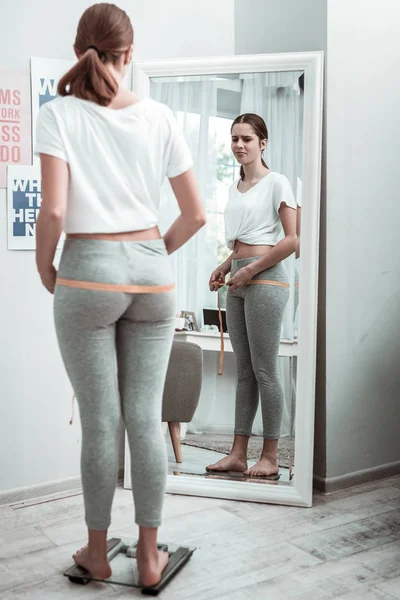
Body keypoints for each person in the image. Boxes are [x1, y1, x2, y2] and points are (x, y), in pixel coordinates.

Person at [34, 3, 206, 587]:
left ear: (78, 48)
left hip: (87, 269)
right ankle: (152, 557)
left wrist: (44, 266)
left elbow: (54, 209)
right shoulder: (159, 116)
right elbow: (195, 214)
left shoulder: (59, 114)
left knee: (101, 421)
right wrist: (151, 257)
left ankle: (98, 551)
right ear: (129, 54)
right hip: (153, 274)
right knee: (146, 419)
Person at [206, 113, 297, 478]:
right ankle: (238, 454)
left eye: (246, 138)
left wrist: (250, 269)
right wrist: (226, 265)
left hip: (266, 279)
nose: (239, 145)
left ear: (263, 142)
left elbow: (292, 240)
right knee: (245, 373)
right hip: (240, 279)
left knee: (264, 370)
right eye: (234, 139)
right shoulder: (233, 188)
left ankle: (271, 457)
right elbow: (244, 241)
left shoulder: (277, 182)